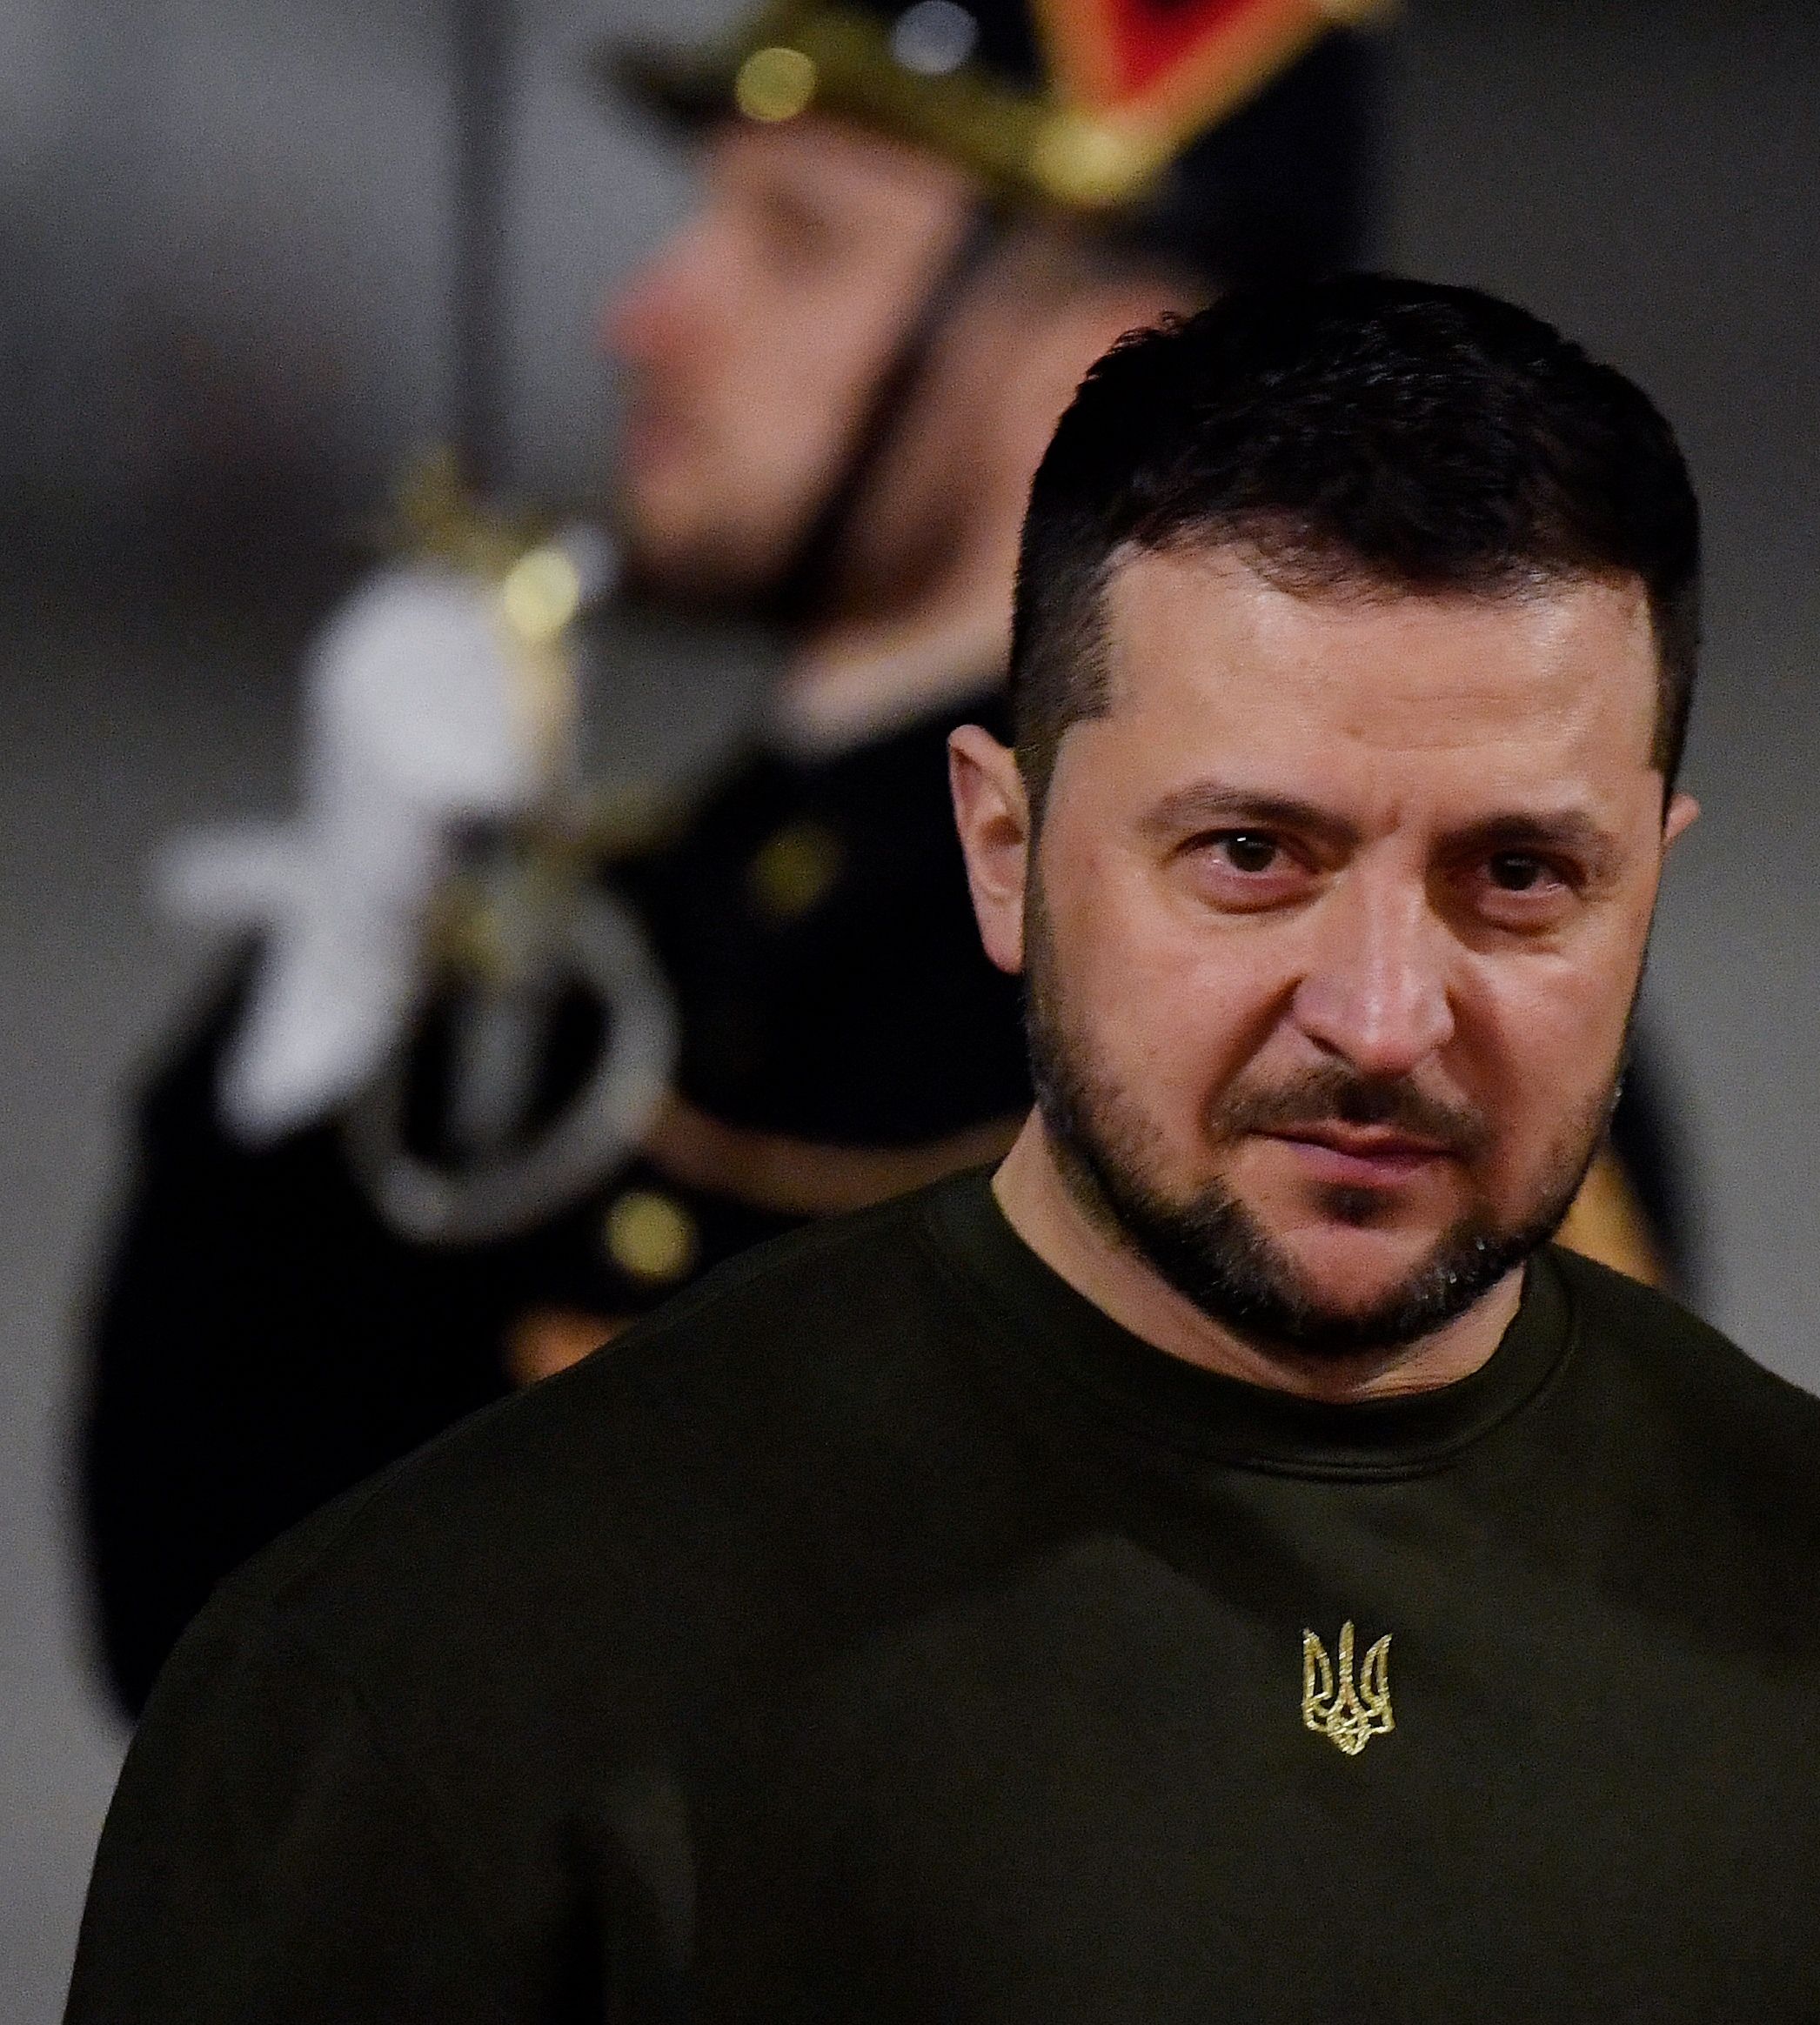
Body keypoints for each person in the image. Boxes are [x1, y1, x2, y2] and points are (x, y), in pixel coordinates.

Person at [0, 276, 1820, 2025]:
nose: (1384, 1014)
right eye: (1253, 855)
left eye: (1519, 880)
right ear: (1003, 847)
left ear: (1653, 875)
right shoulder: (442, 1675)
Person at [77, 1, 1676, 1724]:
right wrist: (342, 995)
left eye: (800, 241)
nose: (649, 313)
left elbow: (1426, 1710)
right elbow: (216, 1659)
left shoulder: (1340, 1020)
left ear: (1118, 358)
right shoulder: (654, 923)